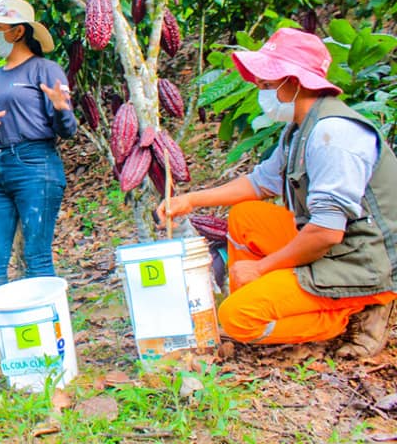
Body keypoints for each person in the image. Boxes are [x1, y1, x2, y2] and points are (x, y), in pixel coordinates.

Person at [158, 27, 397, 357]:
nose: (260, 89)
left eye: (268, 83)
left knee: (236, 319)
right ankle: (272, 296)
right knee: (246, 217)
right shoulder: (300, 130)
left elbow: (326, 233)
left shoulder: (334, 136)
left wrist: (261, 268)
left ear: (295, 83)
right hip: (334, 248)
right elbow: (258, 184)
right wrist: (190, 199)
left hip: (360, 263)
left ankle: (346, 314)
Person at [0, 0, 77, 357]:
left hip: (35, 165)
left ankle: (48, 338)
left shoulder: (45, 70)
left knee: (37, 255)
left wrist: (60, 108)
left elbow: (67, 129)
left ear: (18, 31)